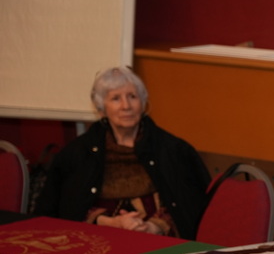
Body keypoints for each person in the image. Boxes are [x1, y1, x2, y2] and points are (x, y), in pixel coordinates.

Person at [34, 66, 211, 239]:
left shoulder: (174, 150)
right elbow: (65, 208)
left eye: (132, 96)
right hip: (96, 240)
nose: (126, 106)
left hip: (159, 241)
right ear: (101, 109)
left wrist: (153, 226)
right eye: (115, 98)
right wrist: (110, 223)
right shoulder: (78, 153)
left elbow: (193, 206)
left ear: (143, 103)